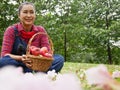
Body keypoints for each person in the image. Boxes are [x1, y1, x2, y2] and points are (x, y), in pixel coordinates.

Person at [0, 2, 64, 73]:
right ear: (19, 15)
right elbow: (5, 54)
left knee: (59, 59)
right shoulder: (11, 30)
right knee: (3, 61)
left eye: (31, 12)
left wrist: (38, 57)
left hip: (38, 64)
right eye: (25, 12)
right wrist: (22, 58)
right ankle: (38, 73)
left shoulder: (40, 30)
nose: (28, 15)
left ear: (35, 15)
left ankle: (24, 72)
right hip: (19, 62)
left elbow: (48, 52)